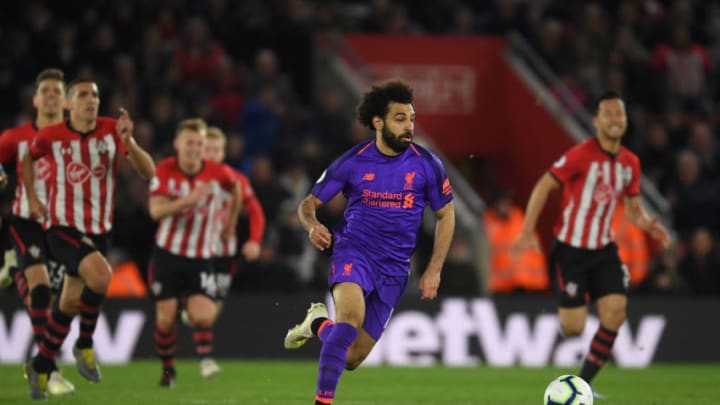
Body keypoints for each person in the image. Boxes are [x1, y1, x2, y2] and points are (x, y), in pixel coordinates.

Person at [283, 80, 455, 405]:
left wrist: (434, 269)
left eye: (412, 118)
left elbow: (447, 216)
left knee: (350, 358)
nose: (409, 126)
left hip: (394, 269)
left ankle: (317, 323)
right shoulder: (353, 162)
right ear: (378, 122)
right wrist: (312, 225)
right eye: (400, 118)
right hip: (355, 252)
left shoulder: (427, 165)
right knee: (349, 321)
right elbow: (308, 204)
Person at [510, 91, 670, 396]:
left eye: (619, 113)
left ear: (624, 121)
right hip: (570, 249)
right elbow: (545, 184)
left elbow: (634, 209)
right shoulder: (580, 155)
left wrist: (649, 224)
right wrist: (528, 229)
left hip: (604, 249)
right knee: (574, 328)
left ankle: (584, 383)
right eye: (608, 114)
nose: (614, 119)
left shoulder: (630, 163)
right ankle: (567, 317)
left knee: (616, 313)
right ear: (596, 121)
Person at [22, 77, 155, 400]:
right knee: (101, 275)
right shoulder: (51, 136)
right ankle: (84, 344)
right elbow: (27, 158)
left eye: (95, 94)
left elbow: (149, 172)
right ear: (69, 104)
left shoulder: (112, 129)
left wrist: (130, 141)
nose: (91, 100)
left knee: (68, 302)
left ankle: (40, 365)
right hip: (62, 228)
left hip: (99, 230)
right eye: (83, 95)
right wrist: (32, 197)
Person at [148, 119, 242, 387]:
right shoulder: (165, 170)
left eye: (199, 144)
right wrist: (187, 201)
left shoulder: (217, 172)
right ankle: (168, 371)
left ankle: (186, 313)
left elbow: (235, 188)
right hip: (168, 254)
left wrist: (230, 224)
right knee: (165, 322)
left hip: (200, 256)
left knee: (203, 316)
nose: (195, 148)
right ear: (177, 144)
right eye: (190, 142)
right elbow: (156, 211)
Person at [0, 68, 75, 395]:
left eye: (57, 91)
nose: (50, 95)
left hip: (63, 224)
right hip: (26, 221)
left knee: (60, 301)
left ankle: (14, 268)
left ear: (66, 100)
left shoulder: (76, 139)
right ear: (34, 99)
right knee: (42, 290)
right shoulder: (13, 138)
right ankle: (51, 368)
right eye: (44, 90)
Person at [203, 126, 265, 312]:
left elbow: (255, 211)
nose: (212, 155)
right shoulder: (188, 177)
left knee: (214, 304)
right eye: (208, 150)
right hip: (190, 250)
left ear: (223, 152)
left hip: (222, 251)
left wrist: (254, 241)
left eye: (216, 150)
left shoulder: (236, 179)